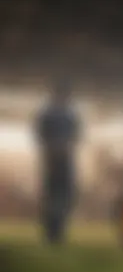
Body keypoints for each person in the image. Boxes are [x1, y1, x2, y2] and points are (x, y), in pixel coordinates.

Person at [34, 79, 81, 244]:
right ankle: (53, 231)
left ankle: (56, 231)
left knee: (62, 196)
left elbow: (76, 135)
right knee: (55, 196)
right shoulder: (54, 114)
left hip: (60, 158)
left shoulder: (66, 114)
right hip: (53, 159)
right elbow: (40, 134)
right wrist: (54, 147)